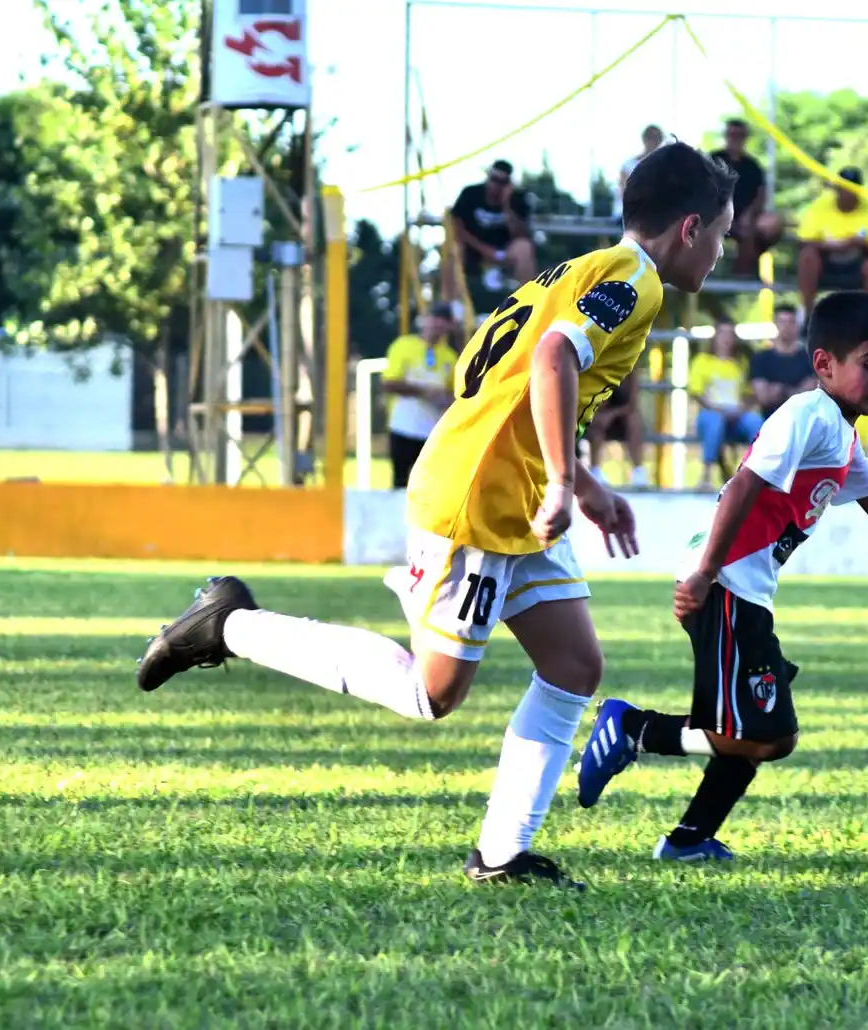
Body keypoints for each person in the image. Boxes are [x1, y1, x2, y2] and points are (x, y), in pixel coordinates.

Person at [134, 142, 739, 889]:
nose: (721, 250)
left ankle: (502, 855)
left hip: (507, 490)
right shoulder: (635, 281)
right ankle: (227, 623)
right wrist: (560, 482)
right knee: (433, 693)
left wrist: (578, 484)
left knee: (574, 665)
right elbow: (553, 360)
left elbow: (495, 378)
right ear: (689, 228)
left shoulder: (570, 272)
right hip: (478, 501)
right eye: (721, 234)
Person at [571, 290, 868, 861]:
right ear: (825, 364)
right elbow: (743, 485)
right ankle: (632, 730)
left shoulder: (841, 434)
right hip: (725, 585)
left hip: (745, 591)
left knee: (773, 735)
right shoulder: (806, 414)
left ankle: (688, 839)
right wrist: (704, 574)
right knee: (756, 733)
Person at [382, 302, 461, 489]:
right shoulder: (403, 346)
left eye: (443, 322)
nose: (437, 326)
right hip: (403, 426)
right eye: (434, 320)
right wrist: (424, 391)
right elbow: (389, 383)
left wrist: (446, 400)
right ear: (425, 320)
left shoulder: (449, 356)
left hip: (432, 431)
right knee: (400, 481)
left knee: (428, 485)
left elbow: (454, 393)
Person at [796, 168, 868, 313]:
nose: (848, 193)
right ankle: (807, 312)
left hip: (857, 261)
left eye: (852, 189)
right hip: (826, 260)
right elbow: (804, 241)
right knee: (807, 256)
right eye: (844, 188)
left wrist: (857, 243)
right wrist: (833, 245)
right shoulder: (820, 206)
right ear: (837, 189)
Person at [690, 319, 764, 486]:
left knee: (756, 422)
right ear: (715, 337)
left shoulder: (741, 364)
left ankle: (757, 474)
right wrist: (716, 410)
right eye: (722, 333)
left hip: (736, 414)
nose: (726, 338)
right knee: (715, 422)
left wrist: (742, 409)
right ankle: (706, 476)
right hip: (711, 413)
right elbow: (696, 393)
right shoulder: (702, 361)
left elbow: (748, 394)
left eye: (730, 334)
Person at [710, 119, 783, 279]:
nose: (735, 139)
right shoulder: (712, 160)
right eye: (731, 134)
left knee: (772, 224)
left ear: (745, 138)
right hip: (713, 215)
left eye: (739, 135)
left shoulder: (753, 166)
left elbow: (761, 194)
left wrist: (749, 214)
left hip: (745, 219)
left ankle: (743, 271)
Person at [450, 160, 536, 293]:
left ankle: (527, 298)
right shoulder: (470, 194)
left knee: (524, 247)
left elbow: (521, 234)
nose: (496, 186)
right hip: (473, 249)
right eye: (494, 179)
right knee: (454, 248)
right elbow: (457, 228)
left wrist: (506, 205)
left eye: (503, 182)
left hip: (505, 252)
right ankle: (451, 303)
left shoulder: (517, 199)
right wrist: (486, 250)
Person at [584, 368, 649, 488]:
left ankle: (638, 471)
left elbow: (632, 404)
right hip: (603, 416)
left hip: (623, 417)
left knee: (634, 421)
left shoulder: (632, 371)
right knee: (597, 422)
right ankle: (595, 470)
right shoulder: (604, 367)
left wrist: (612, 414)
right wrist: (605, 414)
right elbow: (598, 402)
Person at [749, 305, 815, 419]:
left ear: (797, 325)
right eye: (782, 322)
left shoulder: (809, 359)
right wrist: (794, 391)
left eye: (791, 322)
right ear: (775, 323)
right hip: (768, 419)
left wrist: (781, 391)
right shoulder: (760, 358)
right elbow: (763, 397)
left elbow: (808, 396)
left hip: (801, 419)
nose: (786, 327)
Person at [615, 124, 664, 225]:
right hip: (630, 215)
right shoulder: (628, 165)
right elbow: (624, 194)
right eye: (651, 138)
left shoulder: (665, 167)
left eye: (657, 138)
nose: (654, 142)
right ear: (644, 139)